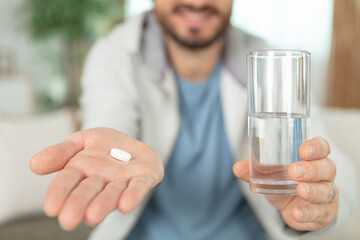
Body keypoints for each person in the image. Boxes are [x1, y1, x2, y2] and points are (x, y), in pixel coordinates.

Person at [30, 1, 357, 239]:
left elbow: (330, 164)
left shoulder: (269, 60)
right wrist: (110, 146)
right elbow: (110, 118)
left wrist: (318, 203)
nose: (198, 2)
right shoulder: (115, 54)